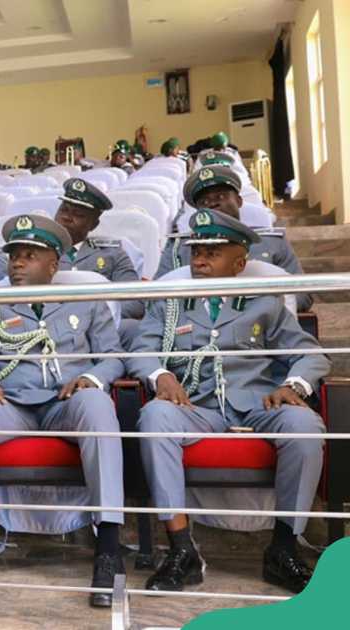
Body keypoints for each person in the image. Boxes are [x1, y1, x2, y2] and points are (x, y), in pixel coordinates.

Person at [128, 209, 328, 595]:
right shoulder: (171, 301)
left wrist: (295, 385)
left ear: (240, 263)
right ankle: (181, 551)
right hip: (195, 406)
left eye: (214, 251)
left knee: (305, 427)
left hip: (258, 403)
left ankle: (283, 550)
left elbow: (311, 353)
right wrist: (161, 376)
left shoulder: (264, 303)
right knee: (154, 416)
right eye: (197, 250)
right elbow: (141, 349)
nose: (200, 258)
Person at [0, 214, 127, 608]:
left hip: (65, 403)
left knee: (97, 402)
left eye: (30, 255)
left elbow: (113, 358)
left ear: (53, 264)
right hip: (12, 404)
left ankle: (109, 550)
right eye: (14, 255)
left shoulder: (83, 302)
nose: (17, 262)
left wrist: (92, 378)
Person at [155, 165, 311, 310]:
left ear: (239, 200)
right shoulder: (178, 247)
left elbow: (301, 295)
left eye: (221, 196)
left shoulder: (272, 242)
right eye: (204, 201)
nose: (213, 204)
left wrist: (246, 312)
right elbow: (155, 297)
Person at [54, 177, 141, 318]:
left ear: (94, 224)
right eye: (64, 210)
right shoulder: (37, 252)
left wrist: (94, 319)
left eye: (78, 215)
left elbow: (134, 303)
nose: (67, 217)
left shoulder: (113, 254)